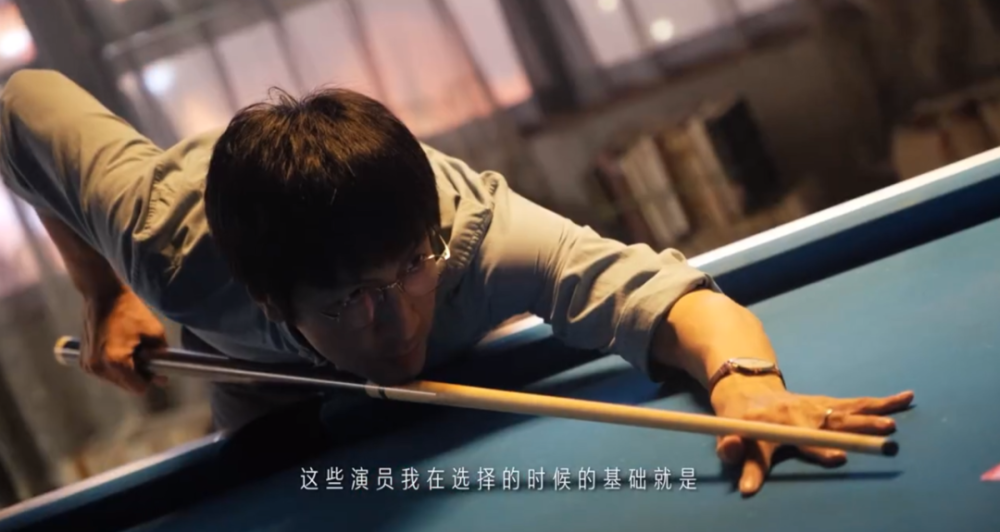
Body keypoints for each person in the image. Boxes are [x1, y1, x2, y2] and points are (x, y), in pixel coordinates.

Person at [0, 69, 912, 496]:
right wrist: (105, 292)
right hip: (259, 380)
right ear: (273, 301)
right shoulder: (168, 250)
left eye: (408, 269)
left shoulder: (474, 241)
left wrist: (748, 382)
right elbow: (20, 107)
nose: (397, 317)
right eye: (350, 300)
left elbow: (674, 300)